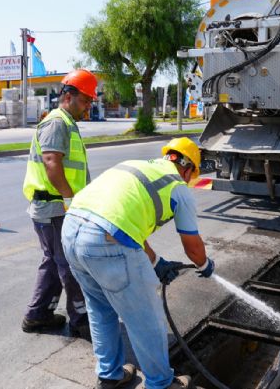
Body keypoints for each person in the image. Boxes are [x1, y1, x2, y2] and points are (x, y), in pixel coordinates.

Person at [61, 137, 215, 389]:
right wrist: (205, 265)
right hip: (105, 240)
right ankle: (161, 384)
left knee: (100, 309)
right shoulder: (177, 186)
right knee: (146, 318)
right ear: (187, 169)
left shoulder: (135, 166)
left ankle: (109, 375)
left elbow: (127, 225)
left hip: (71, 230)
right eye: (191, 175)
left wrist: (156, 263)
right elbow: (193, 247)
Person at [21, 69, 98, 338]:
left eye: (90, 101)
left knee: (53, 262)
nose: (89, 106)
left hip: (55, 207)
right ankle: (81, 320)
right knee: (69, 264)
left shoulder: (66, 122)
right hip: (56, 207)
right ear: (68, 95)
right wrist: (70, 200)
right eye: (86, 100)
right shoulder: (57, 123)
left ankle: (38, 315)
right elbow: (52, 164)